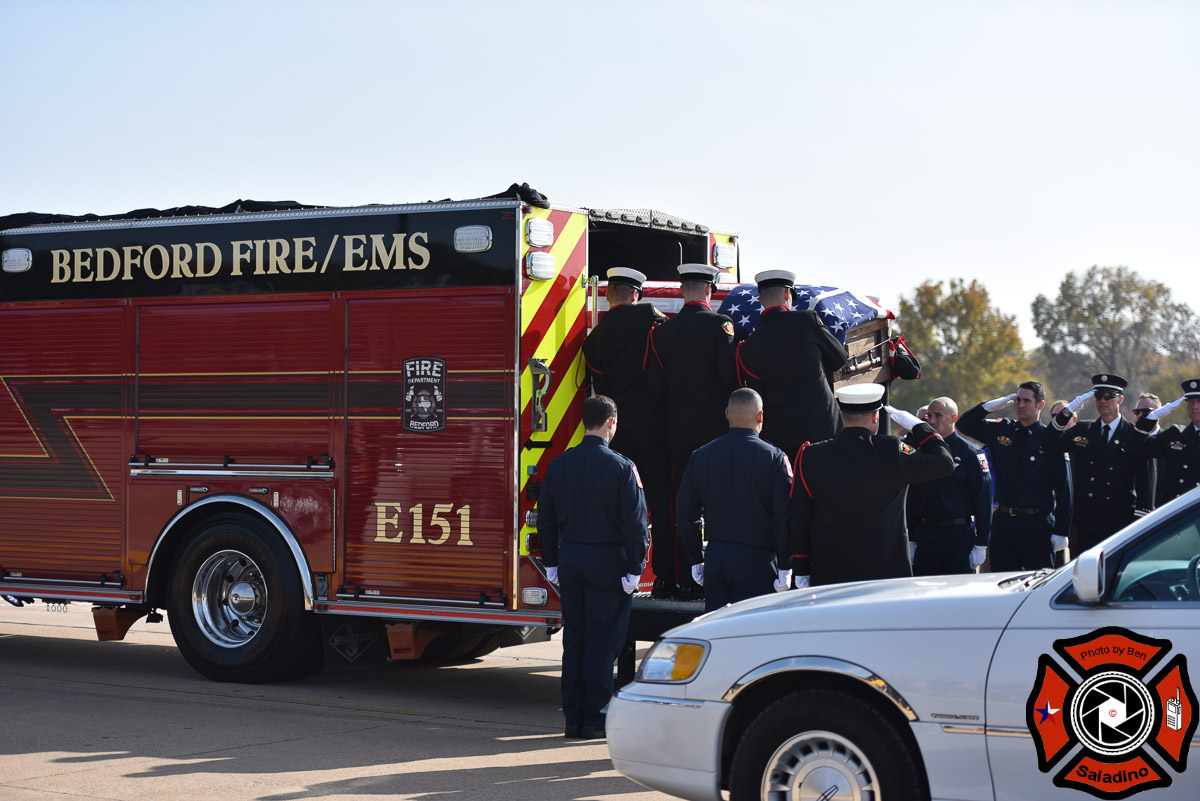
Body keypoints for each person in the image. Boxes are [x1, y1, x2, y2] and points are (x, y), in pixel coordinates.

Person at [536, 395, 648, 739]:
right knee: (602, 641)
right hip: (606, 562)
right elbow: (635, 525)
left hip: (571, 559)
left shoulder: (559, 465)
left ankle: (572, 718)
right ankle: (596, 717)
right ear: (611, 423)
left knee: (576, 639)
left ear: (585, 423)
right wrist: (635, 569)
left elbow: (546, 519)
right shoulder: (621, 467)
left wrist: (552, 563)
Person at [790, 384, 954, 587]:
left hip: (831, 572)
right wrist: (919, 427)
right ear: (876, 417)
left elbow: (800, 516)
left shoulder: (811, 455)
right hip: (885, 575)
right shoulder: (893, 451)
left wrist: (801, 567)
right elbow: (944, 462)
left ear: (842, 415)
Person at [646, 262, 737, 597]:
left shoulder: (662, 332)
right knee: (719, 505)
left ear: (682, 292)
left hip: (678, 432)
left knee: (683, 507)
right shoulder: (721, 326)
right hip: (715, 433)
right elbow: (731, 377)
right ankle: (712, 576)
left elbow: (655, 385)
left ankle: (683, 575)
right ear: (710, 291)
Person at [582, 267, 674, 597]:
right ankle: (662, 575)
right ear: (635, 294)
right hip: (653, 428)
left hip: (617, 432)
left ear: (608, 296)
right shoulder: (650, 318)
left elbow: (601, 389)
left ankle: (619, 576)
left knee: (619, 508)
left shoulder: (593, 341)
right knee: (661, 506)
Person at [676, 388, 793, 612]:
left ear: (727, 414)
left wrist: (695, 558)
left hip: (716, 558)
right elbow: (783, 517)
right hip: (757, 560)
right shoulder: (774, 459)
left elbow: (685, 513)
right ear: (760, 417)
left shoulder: (701, 456)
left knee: (718, 636)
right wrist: (785, 564)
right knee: (755, 636)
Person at [957, 382, 1072, 571]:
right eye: (1018, 400)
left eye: (1027, 401)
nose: (1021, 405)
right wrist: (989, 407)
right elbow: (964, 424)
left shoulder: (1050, 439)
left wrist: (1061, 530)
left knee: (1038, 584)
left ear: (1040, 405)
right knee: (1002, 581)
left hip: (1036, 524)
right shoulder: (1003, 430)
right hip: (1004, 522)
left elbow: (1064, 489)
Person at [735, 269, 848, 458]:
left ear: (760, 300)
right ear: (788, 294)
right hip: (824, 427)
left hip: (782, 437)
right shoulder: (807, 320)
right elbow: (839, 359)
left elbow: (758, 396)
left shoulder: (748, 346)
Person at [1047, 374, 1154, 552]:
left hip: (1120, 524)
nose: (1102, 401)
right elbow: (1049, 442)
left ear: (1120, 399)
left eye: (1108, 396)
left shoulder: (1134, 435)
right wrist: (1066, 412)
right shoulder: (1083, 429)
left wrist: (1139, 525)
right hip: (1087, 524)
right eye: (1098, 396)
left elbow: (1146, 484)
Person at [907, 397, 993, 575]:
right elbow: (913, 498)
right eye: (929, 416)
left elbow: (983, 499)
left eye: (938, 415)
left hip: (958, 536)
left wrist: (981, 543)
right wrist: (911, 539)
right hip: (926, 535)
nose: (931, 421)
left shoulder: (970, 453)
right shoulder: (922, 453)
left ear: (954, 418)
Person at [1130, 379, 1200, 504]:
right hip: (1176, 512)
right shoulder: (1175, 435)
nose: (1194, 406)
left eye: (1199, 402)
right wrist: (1151, 417)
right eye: (1190, 401)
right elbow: (1136, 448)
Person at [1131, 393, 1162, 506]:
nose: (1140, 415)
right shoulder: (1128, 440)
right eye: (1137, 412)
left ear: (1159, 413)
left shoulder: (1167, 441)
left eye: (1145, 411)